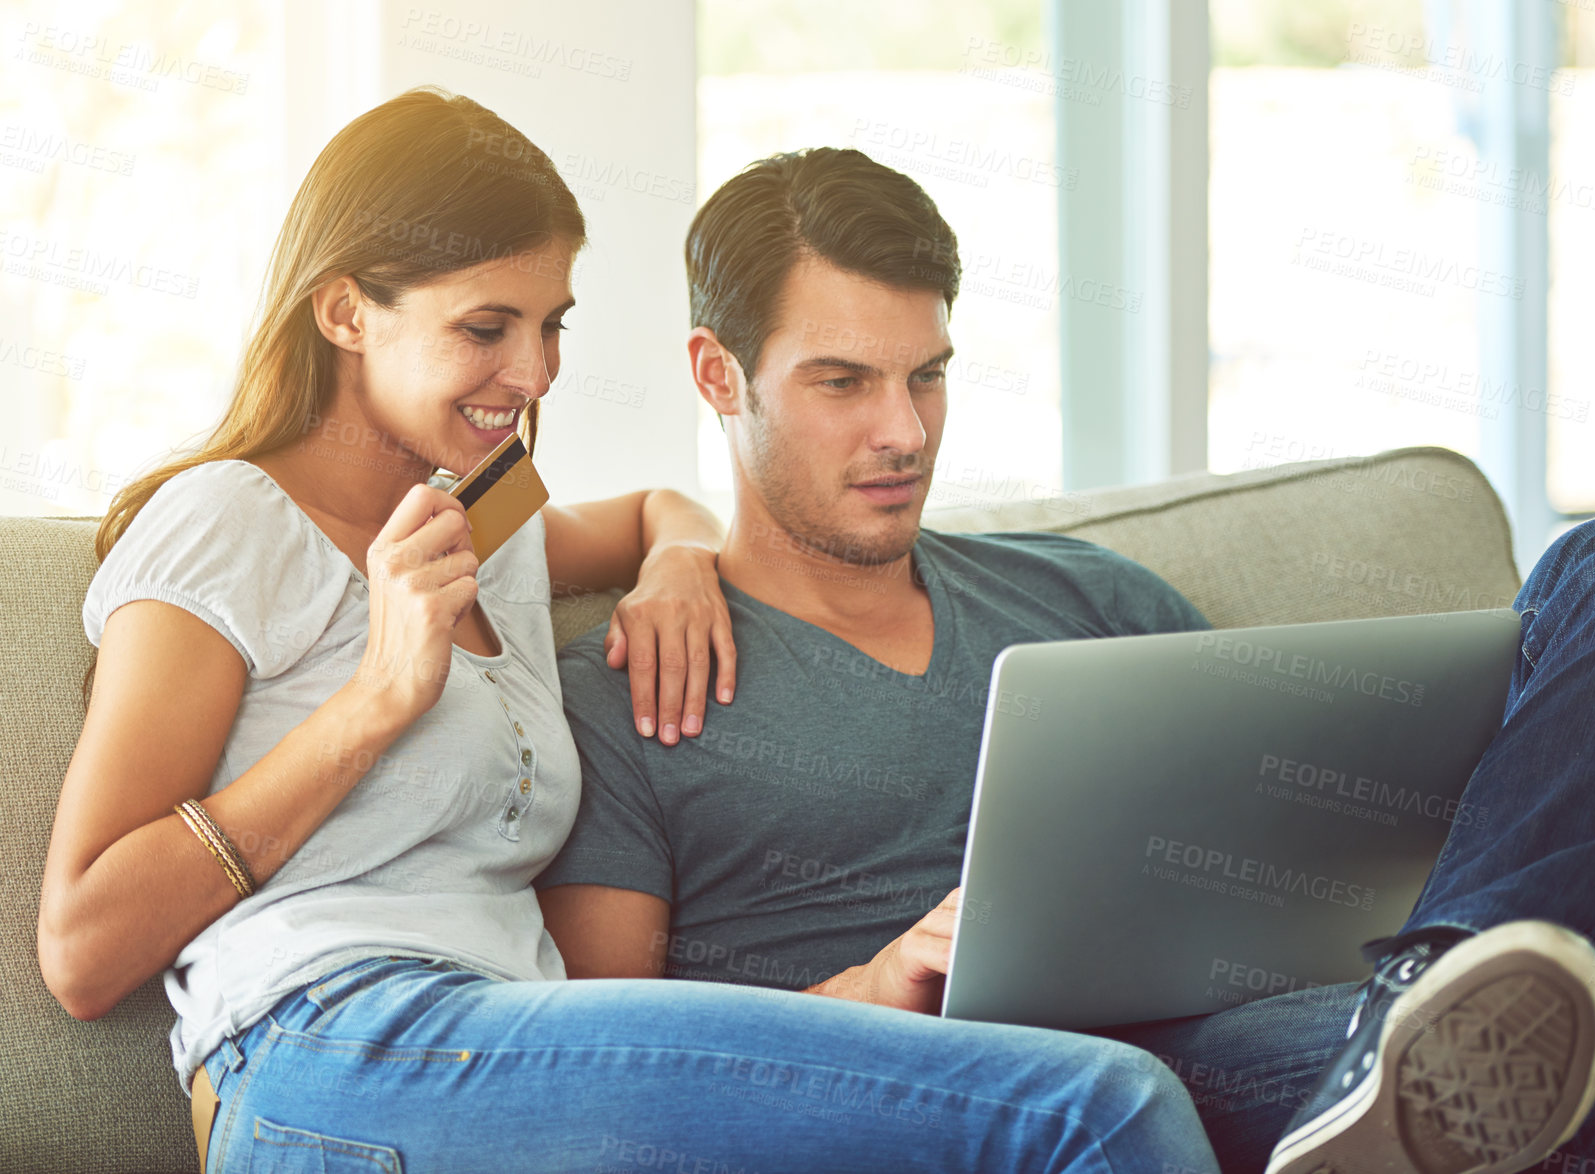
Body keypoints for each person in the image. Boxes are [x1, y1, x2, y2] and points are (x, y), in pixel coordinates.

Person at [37, 91, 1222, 1174]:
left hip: (516, 1038)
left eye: (552, 324)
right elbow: (83, 948)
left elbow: (658, 507)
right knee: (1094, 1111)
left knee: (1093, 1096)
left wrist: (677, 559)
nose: (533, 372)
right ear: (346, 311)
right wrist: (378, 698)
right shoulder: (225, 521)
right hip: (325, 1041)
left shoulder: (481, 515)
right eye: (486, 327)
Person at [535, 146, 1595, 1174]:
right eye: (842, 382)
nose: (903, 431)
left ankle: (1437, 988)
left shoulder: (1082, 595)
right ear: (715, 374)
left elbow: (1284, 809)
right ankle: (1435, 1026)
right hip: (1011, 1094)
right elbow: (612, 1072)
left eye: (927, 374)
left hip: (1256, 1025)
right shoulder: (629, 685)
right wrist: (871, 990)